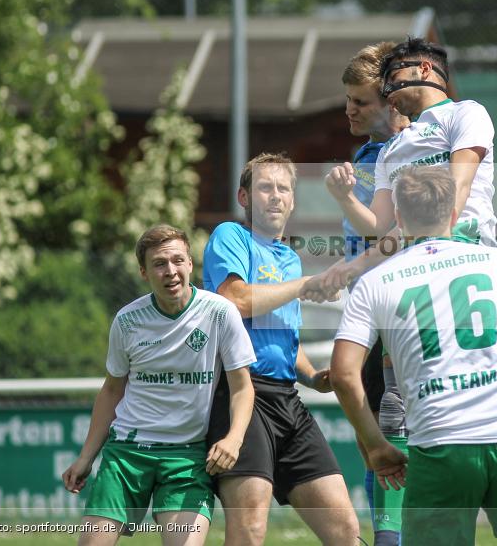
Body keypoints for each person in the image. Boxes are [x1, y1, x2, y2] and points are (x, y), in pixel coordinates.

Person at [330, 166, 497, 546]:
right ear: (454, 215)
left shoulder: (374, 282)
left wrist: (376, 445)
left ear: (400, 219)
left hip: (440, 439)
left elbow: (342, 374)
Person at [62, 225, 256, 546]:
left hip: (187, 457)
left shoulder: (220, 313)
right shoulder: (127, 320)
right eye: (159, 264)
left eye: (178, 260)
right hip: (126, 454)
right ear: (143, 272)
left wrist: (233, 439)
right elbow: (112, 390)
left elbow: (243, 387)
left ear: (191, 264)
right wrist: (86, 457)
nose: (171, 271)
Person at [202, 153, 360, 545]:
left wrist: (313, 375)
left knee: (345, 530)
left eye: (283, 188)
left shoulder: (288, 258)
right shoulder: (230, 236)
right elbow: (236, 300)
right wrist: (306, 285)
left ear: (292, 200)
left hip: (288, 398)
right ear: (244, 196)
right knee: (250, 528)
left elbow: (282, 334)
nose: (275, 196)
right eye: (265, 187)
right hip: (241, 392)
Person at [312, 36, 497, 295]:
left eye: (393, 76)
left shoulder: (465, 113)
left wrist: (356, 265)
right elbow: (377, 228)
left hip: (465, 260)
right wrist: (344, 198)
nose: (388, 89)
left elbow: (456, 191)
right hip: (412, 273)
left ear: (423, 69)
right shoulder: (389, 150)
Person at [340, 41, 411, 545]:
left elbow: (391, 239)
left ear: (390, 102)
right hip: (368, 311)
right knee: (375, 440)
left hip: (405, 314)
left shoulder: (414, 154)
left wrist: (343, 197)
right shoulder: (366, 154)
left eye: (359, 101)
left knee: (400, 431)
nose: (349, 110)